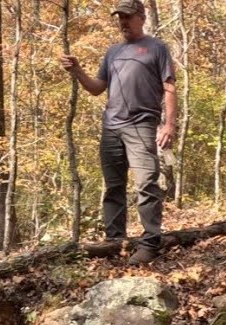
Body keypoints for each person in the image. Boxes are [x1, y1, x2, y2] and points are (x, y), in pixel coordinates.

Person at [60, 0, 176, 265]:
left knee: (146, 184)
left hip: (142, 125)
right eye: (119, 17)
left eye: (127, 16)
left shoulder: (157, 48)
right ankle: (115, 241)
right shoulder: (112, 52)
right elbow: (97, 88)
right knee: (114, 187)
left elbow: (169, 88)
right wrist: (77, 70)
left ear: (141, 17)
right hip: (111, 127)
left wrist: (169, 125)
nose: (122, 22)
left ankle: (150, 244)